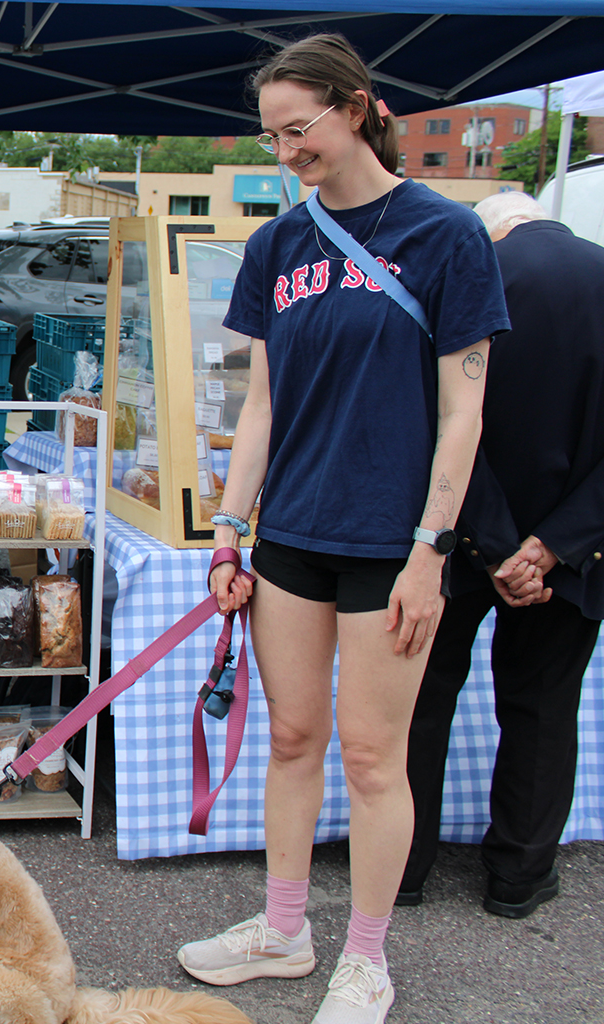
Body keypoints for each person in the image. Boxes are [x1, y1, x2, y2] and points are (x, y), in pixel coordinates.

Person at [174, 34, 510, 1024]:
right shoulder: (279, 246)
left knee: (371, 755)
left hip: (391, 543)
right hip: (292, 535)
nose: (285, 151)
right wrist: (228, 532)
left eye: (298, 129)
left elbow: (465, 414)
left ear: (355, 107)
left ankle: (365, 956)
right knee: (290, 736)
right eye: (272, 135)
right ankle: (284, 929)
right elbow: (262, 410)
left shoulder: (446, 237)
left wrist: (430, 552)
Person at [398, 191, 604, 919]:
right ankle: (518, 876)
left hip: (458, 537)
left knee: (424, 703)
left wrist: (493, 542)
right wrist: (553, 547)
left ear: (491, 230)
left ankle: (405, 869)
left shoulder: (467, 274)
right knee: (545, 709)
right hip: (578, 546)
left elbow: (442, 419)